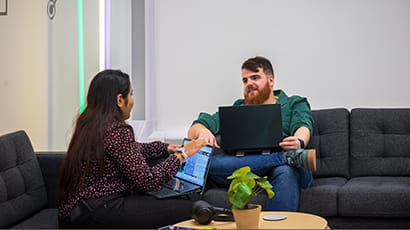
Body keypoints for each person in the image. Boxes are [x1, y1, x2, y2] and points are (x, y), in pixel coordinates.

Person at [58, 69, 207, 229]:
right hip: (98, 209)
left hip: (78, 208)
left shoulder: (91, 123)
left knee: (173, 195)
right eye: (131, 94)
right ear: (120, 100)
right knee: (190, 209)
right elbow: (148, 181)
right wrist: (182, 155)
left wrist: (167, 148)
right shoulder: (117, 130)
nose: (133, 100)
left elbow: (131, 150)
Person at [187, 56, 315, 211]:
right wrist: (203, 131)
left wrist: (299, 140)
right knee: (206, 164)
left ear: (271, 80)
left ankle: (286, 159)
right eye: (245, 80)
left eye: (255, 77)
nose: (249, 84)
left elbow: (303, 124)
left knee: (286, 171)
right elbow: (196, 127)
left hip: (280, 172)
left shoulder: (294, 102)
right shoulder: (238, 107)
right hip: (244, 168)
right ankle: (286, 158)